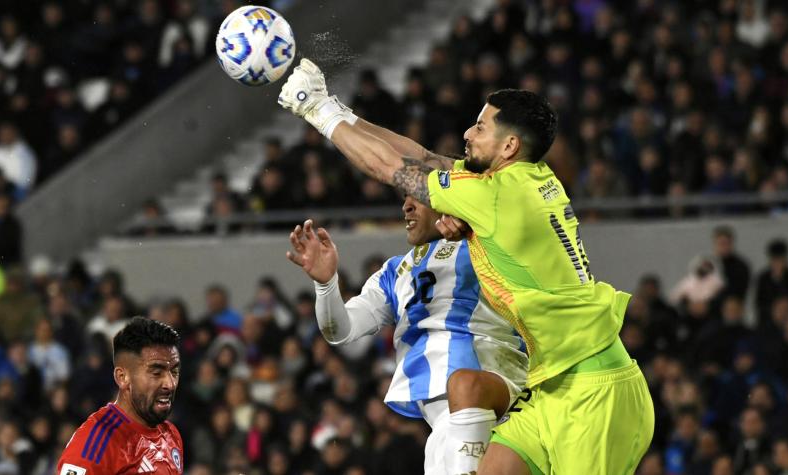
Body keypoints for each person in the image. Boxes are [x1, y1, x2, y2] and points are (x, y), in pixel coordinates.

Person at [278, 59, 654, 474]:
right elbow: (420, 157)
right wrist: (339, 108)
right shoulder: (520, 179)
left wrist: (317, 112)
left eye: (480, 127)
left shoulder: (495, 197)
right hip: (551, 385)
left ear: (508, 146)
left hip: (595, 392)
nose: (467, 134)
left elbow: (391, 168)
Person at [286, 196, 528, 475]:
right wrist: (326, 285)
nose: (407, 206)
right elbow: (340, 331)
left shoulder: (484, 247)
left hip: (493, 391)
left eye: (420, 198)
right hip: (444, 423)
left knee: (466, 389)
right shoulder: (393, 272)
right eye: (405, 199)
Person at [57, 317, 184, 474]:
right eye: (156, 373)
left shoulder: (171, 434)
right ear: (122, 377)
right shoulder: (96, 442)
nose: (170, 384)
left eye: (174, 372)